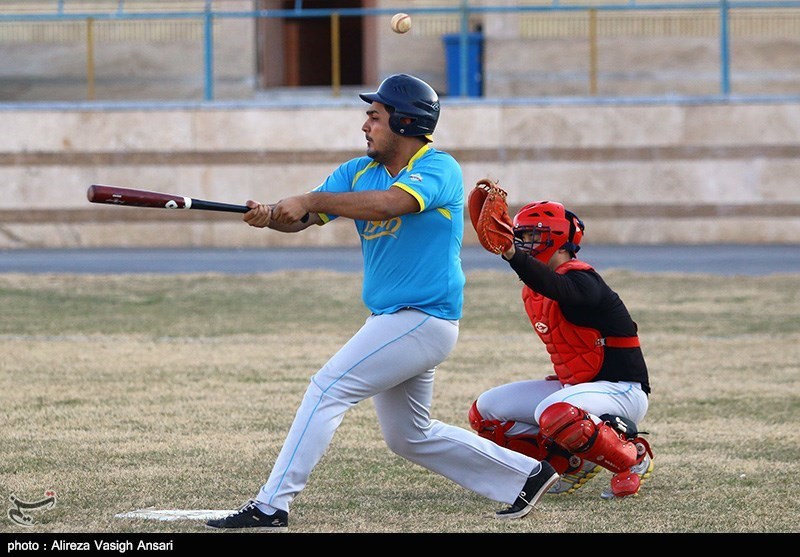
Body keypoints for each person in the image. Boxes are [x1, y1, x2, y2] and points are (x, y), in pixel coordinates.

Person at [206, 74, 560, 532]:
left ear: (406, 121)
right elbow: (305, 217)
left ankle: (272, 505)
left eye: (375, 116)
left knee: (326, 389)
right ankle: (526, 475)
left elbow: (388, 205)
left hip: (424, 318)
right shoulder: (357, 171)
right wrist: (272, 217)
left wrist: (308, 199)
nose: (365, 125)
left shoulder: (439, 168)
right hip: (393, 320)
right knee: (409, 436)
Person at [467, 199, 654, 499]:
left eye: (530, 237)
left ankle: (632, 459)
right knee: (485, 413)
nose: (522, 243)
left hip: (623, 391)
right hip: (581, 388)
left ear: (554, 238)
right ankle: (568, 462)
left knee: (553, 412)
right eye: (520, 238)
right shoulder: (537, 286)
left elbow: (559, 287)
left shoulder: (583, 278)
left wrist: (513, 255)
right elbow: (547, 285)